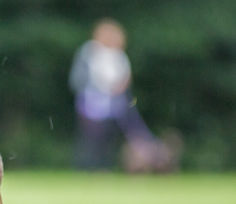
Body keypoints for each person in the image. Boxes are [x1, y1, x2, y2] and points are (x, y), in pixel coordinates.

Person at [69, 19, 174, 171]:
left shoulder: (119, 56)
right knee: (91, 138)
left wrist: (120, 87)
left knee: (109, 139)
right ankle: (87, 167)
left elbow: (125, 80)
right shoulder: (89, 52)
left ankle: (104, 167)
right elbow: (78, 80)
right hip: (91, 105)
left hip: (114, 105)